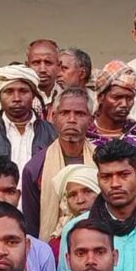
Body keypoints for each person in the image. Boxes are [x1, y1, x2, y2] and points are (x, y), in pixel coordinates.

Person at [58, 139, 136, 271]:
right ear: (98, 179)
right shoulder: (75, 230)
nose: (115, 184)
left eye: (123, 175)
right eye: (106, 177)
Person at [23, 88, 96, 238]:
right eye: (65, 113)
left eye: (79, 114)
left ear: (91, 120)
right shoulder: (35, 167)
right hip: (51, 246)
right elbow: (31, 226)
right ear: (54, 117)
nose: (72, 119)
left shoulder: (101, 161)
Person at [0, 65, 58, 174]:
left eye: (23, 91)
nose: (17, 98)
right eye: (9, 92)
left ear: (33, 96)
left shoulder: (52, 133)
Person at [87, 60, 136, 156]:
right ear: (100, 97)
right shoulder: (84, 135)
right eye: (117, 97)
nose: (124, 104)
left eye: (130, 98)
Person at [46, 164, 101, 255]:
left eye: (88, 191)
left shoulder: (118, 231)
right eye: (73, 195)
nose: (80, 200)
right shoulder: (57, 244)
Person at [27, 39, 62, 113]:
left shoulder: (68, 96)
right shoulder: (20, 98)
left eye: (48, 63)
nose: (42, 69)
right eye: (36, 63)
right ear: (27, 66)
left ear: (59, 66)